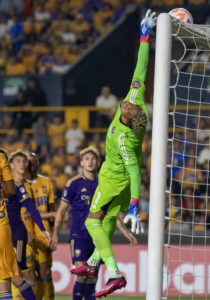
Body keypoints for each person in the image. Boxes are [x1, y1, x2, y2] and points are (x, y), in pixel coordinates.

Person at [71, 9, 156, 297]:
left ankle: (116, 274)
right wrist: (145, 36)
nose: (128, 103)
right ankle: (93, 263)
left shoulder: (125, 140)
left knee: (91, 221)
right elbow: (141, 70)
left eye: (130, 109)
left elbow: (135, 171)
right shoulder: (135, 101)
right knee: (106, 223)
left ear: (130, 120)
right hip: (119, 181)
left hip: (113, 178)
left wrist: (135, 206)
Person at [52, 147, 137, 300]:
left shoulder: (105, 183)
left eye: (93, 159)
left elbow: (111, 213)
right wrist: (55, 234)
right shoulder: (74, 183)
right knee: (82, 276)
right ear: (81, 163)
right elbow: (61, 210)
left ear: (98, 162)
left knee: (92, 278)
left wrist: (125, 232)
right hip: (79, 235)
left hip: (98, 237)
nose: (90, 161)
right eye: (87, 159)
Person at [7, 150, 51, 299]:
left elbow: (32, 208)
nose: (22, 164)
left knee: (16, 274)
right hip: (4, 233)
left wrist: (43, 229)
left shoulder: (17, 185)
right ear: (11, 165)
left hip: (17, 234)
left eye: (23, 161)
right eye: (18, 161)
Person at [0, 149, 34, 300]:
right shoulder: (2, 162)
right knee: (11, 274)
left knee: (10, 275)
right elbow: (10, 190)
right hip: (3, 228)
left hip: (14, 230)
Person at [22, 153, 56, 300]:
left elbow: (51, 208)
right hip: (26, 234)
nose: (33, 164)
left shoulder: (46, 182)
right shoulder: (19, 184)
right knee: (27, 274)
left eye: (35, 161)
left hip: (44, 235)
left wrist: (54, 234)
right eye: (30, 162)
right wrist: (52, 215)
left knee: (45, 272)